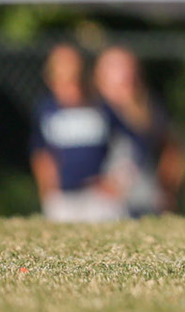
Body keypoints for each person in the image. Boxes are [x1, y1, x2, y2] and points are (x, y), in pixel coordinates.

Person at [29, 43, 122, 222]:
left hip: (98, 194)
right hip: (64, 195)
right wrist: (48, 190)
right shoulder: (46, 110)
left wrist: (115, 180)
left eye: (76, 77)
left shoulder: (101, 107)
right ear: (51, 79)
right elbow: (41, 153)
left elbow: (123, 144)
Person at [94, 45, 185, 216]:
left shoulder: (150, 109)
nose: (125, 74)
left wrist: (168, 191)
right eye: (116, 67)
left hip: (143, 198)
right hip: (99, 202)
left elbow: (172, 151)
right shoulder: (92, 111)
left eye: (128, 67)